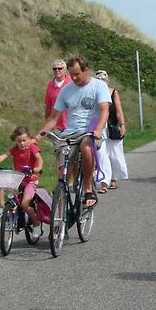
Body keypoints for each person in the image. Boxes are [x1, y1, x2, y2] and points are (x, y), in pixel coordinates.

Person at [35, 55, 111, 209]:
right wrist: (37, 137)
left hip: (90, 130)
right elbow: (53, 118)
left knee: (86, 147)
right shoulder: (66, 90)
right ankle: (61, 207)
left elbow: (104, 110)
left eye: (77, 73)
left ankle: (88, 188)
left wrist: (98, 129)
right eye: (71, 74)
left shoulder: (99, 86)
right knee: (63, 172)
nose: (74, 77)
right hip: (70, 133)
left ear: (86, 70)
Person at [0, 126, 44, 238]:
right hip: (18, 179)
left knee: (25, 203)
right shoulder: (15, 149)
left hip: (30, 180)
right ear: (15, 141)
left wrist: (38, 168)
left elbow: (39, 159)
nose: (22, 143)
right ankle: (2, 207)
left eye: (24, 140)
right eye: (19, 141)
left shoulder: (32, 148)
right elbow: (4, 155)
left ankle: (36, 224)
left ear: (29, 139)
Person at [94, 70, 128, 193]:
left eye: (103, 80)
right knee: (101, 155)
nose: (101, 82)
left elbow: (118, 110)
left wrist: (122, 125)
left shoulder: (113, 92)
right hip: (99, 128)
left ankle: (113, 178)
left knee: (114, 154)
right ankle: (103, 182)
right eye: (98, 80)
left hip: (112, 126)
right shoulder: (93, 93)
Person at [43, 59, 72, 175]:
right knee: (60, 153)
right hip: (57, 126)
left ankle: (74, 178)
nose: (57, 71)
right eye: (55, 69)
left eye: (60, 68)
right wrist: (47, 125)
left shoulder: (71, 82)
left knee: (73, 155)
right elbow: (48, 106)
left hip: (71, 124)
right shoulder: (50, 85)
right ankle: (61, 181)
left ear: (65, 70)